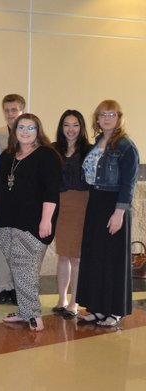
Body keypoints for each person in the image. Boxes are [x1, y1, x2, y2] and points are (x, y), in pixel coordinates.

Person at [0, 113, 60, 332]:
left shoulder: (47, 155)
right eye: (21, 127)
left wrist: (46, 220)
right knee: (18, 269)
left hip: (32, 223)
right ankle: (24, 311)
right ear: (14, 130)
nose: (24, 131)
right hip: (6, 223)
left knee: (26, 270)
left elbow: (52, 191)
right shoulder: (7, 156)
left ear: (38, 130)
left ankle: (34, 316)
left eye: (30, 128)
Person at [76, 100, 139, 327]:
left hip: (114, 205)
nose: (107, 118)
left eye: (112, 114)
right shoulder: (97, 142)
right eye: (103, 114)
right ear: (97, 119)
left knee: (113, 259)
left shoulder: (125, 146)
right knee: (95, 257)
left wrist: (119, 213)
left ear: (119, 117)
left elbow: (128, 184)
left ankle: (115, 311)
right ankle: (96, 308)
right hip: (96, 203)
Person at [50, 110, 91, 318]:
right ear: (61, 127)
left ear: (81, 127)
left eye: (75, 125)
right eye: (66, 124)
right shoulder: (54, 149)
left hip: (81, 203)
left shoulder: (89, 150)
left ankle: (74, 301)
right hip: (59, 204)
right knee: (62, 253)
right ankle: (61, 298)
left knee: (76, 255)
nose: (71, 129)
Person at [0, 94, 26, 306]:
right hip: (1, 199)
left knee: (21, 245)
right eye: (7, 110)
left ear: (23, 110)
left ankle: (20, 288)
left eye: (14, 110)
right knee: (1, 243)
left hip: (24, 200)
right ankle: (3, 288)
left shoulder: (32, 135)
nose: (10, 114)